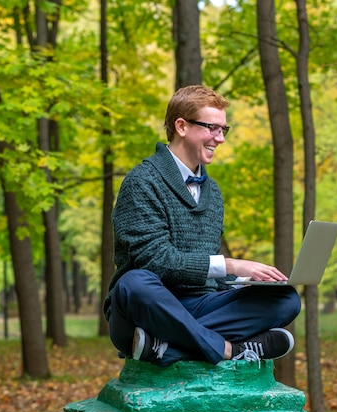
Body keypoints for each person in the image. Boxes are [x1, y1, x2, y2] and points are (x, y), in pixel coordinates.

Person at [103, 85, 301, 367]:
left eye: (223, 130)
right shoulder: (141, 182)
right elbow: (156, 261)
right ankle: (230, 349)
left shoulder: (214, 192)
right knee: (134, 282)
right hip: (145, 308)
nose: (219, 139)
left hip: (199, 305)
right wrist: (232, 265)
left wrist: (243, 284)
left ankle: (165, 347)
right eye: (212, 128)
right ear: (181, 126)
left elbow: (212, 276)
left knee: (287, 300)